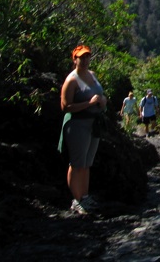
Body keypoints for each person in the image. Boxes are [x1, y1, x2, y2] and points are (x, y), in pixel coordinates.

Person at [59, 44, 108, 215]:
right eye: (82, 57)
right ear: (75, 59)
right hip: (77, 124)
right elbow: (65, 107)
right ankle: (77, 199)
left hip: (93, 123)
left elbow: (100, 96)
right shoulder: (71, 80)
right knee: (77, 162)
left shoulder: (92, 76)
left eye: (87, 56)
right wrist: (89, 103)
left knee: (87, 163)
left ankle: (85, 196)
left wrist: (103, 101)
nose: (85, 60)